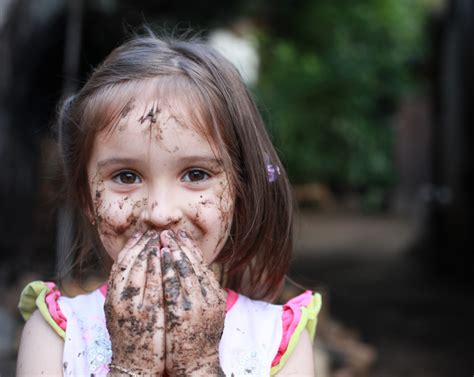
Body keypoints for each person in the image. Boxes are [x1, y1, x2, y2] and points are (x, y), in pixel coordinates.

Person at [16, 31, 322, 376]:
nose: (160, 214)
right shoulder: (55, 333)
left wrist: (199, 365)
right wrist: (132, 366)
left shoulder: (276, 340)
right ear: (88, 198)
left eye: (195, 174)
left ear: (239, 192)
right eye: (126, 177)